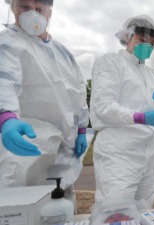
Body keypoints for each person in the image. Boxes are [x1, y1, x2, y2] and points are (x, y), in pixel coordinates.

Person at [90, 15, 154, 208]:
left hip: (150, 152)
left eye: (152, 44)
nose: (148, 47)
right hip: (119, 151)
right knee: (115, 209)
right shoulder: (110, 63)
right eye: (142, 40)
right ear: (128, 36)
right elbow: (103, 107)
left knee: (143, 207)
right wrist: (139, 117)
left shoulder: (151, 75)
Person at [0, 0, 89, 205]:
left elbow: (78, 91)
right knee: (21, 209)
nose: (33, 14)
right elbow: (4, 79)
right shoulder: (7, 43)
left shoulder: (63, 53)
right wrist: (6, 116)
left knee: (61, 206)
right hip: (24, 152)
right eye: (24, 7)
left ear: (49, 12)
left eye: (39, 9)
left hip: (64, 151)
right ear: (12, 7)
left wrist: (82, 128)